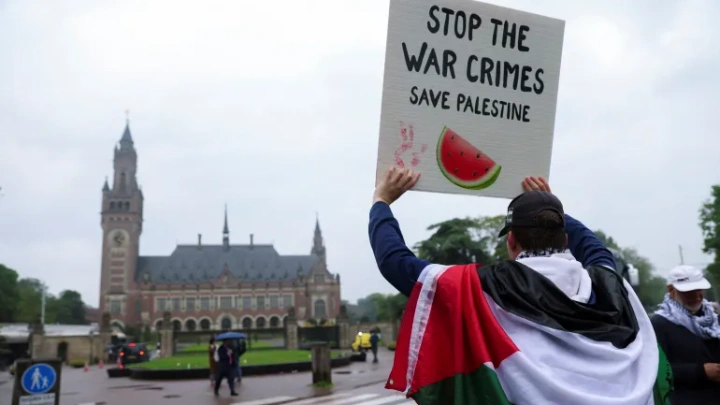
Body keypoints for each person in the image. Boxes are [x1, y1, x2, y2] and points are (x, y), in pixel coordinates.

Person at [369, 166, 664, 405]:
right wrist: (551, 208)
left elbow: (396, 264)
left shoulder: (483, 288)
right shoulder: (610, 284)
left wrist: (381, 202)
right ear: (564, 239)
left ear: (511, 241)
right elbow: (594, 248)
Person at [651, 265, 720, 404]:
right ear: (671, 290)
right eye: (688, 291)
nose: (696, 296)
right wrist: (701, 371)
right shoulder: (660, 324)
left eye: (699, 290)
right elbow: (656, 371)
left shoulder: (715, 318)